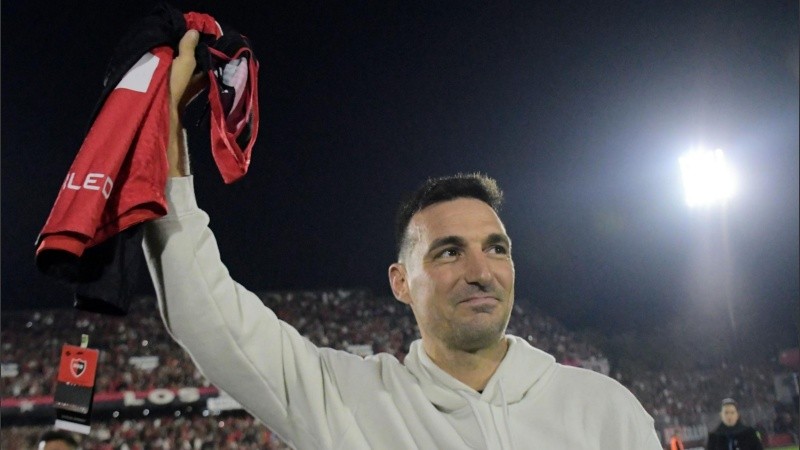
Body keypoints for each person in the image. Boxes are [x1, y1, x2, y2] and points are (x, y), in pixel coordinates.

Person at [142, 29, 662, 449]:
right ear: (401, 282)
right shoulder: (350, 400)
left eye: (496, 248)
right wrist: (164, 124)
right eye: (449, 251)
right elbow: (205, 312)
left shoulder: (605, 410)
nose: (481, 272)